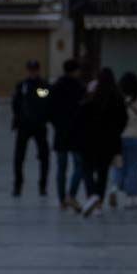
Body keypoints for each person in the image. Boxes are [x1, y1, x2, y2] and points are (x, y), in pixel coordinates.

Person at [78, 68, 128, 217]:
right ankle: (99, 204)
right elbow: (123, 119)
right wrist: (116, 132)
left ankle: (92, 195)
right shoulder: (118, 97)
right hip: (110, 142)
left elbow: (83, 114)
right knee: (103, 172)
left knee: (87, 168)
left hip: (92, 139)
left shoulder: (94, 95)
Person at [109, 72, 137, 210]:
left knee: (118, 165)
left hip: (118, 137)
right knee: (133, 167)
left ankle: (114, 188)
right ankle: (131, 199)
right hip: (135, 137)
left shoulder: (116, 97)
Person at [48, 59, 86, 210]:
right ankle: (72, 194)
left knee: (61, 168)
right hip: (76, 131)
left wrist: (56, 123)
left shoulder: (56, 86)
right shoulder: (80, 87)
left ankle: (62, 200)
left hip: (60, 132)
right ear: (76, 70)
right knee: (80, 165)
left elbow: (48, 104)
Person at [11, 59, 51, 197]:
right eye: (30, 69)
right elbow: (16, 103)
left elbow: (46, 101)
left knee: (44, 157)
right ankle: (18, 185)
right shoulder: (22, 85)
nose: (32, 72)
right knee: (19, 157)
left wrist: (44, 117)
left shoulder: (43, 85)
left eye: (34, 69)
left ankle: (43, 186)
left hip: (39, 125)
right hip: (24, 125)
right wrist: (17, 119)